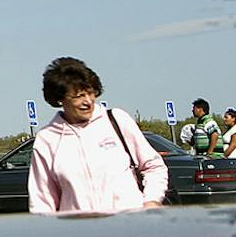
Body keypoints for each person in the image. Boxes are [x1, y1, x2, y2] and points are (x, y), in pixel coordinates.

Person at [29, 57, 167, 214]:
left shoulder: (117, 121)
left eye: (91, 93)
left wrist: (151, 201)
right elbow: (42, 199)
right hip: (80, 233)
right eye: (78, 96)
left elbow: (154, 166)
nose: (87, 101)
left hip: (131, 228)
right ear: (60, 99)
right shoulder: (47, 138)